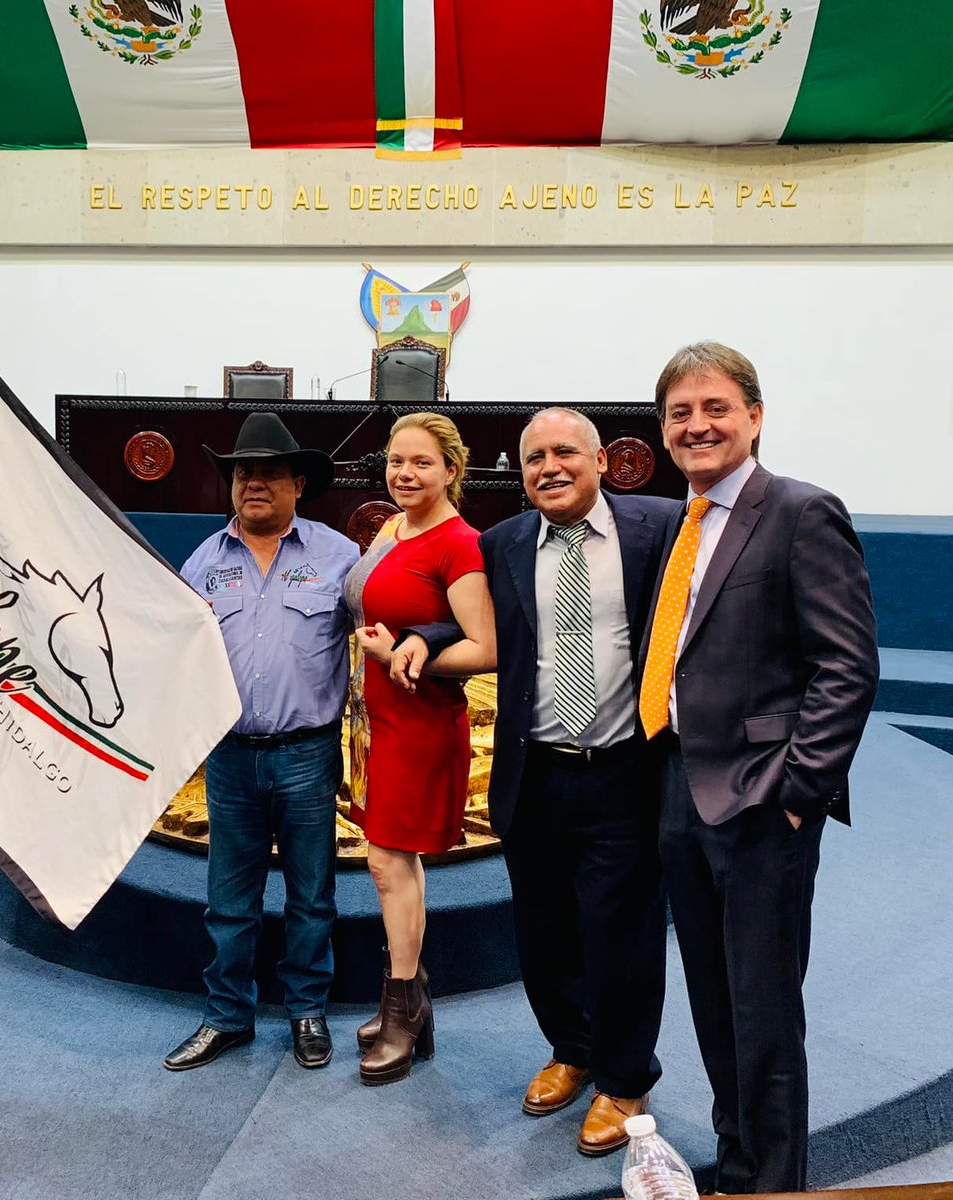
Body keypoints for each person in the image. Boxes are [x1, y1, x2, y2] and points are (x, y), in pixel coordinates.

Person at [393, 407, 677, 1156]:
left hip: (624, 770)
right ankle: (572, 1051)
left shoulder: (660, 528)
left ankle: (625, 1078)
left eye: (564, 453)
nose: (549, 468)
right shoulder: (505, 542)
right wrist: (424, 636)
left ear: (601, 461)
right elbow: (476, 626)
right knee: (543, 931)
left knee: (622, 935)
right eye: (533, 458)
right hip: (536, 772)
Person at [641, 343, 879, 1193]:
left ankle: (775, 1183)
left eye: (715, 408)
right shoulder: (679, 523)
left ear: (755, 415)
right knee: (712, 1000)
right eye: (680, 413)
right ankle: (736, 1166)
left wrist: (796, 795)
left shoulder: (802, 512)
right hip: (679, 785)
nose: (697, 425)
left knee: (764, 1011)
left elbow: (847, 667)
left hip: (762, 801)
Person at [163, 412, 360, 1073]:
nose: (253, 483)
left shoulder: (339, 557)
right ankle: (227, 1016)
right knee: (229, 900)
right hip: (230, 757)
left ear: (298, 484)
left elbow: (381, 628)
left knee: (311, 895)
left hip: (307, 754)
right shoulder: (203, 562)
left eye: (269, 473)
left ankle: (307, 1010)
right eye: (243, 472)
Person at [347, 412, 494, 1086]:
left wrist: (410, 652)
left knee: (386, 863)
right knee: (392, 860)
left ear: (451, 471)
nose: (405, 474)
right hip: (376, 721)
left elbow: (486, 648)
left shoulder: (460, 543)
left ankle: (404, 1009)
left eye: (421, 463)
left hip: (420, 723)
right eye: (396, 461)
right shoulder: (393, 528)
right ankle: (409, 1001)